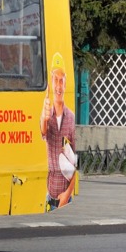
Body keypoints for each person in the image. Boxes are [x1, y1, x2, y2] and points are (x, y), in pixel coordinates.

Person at [40, 63, 76, 209]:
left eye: (62, 81)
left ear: (66, 85)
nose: (59, 86)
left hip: (66, 201)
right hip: (50, 199)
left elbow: (76, 164)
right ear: (51, 84)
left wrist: (67, 194)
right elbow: (43, 130)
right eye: (56, 80)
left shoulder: (72, 119)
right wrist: (44, 117)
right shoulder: (46, 114)